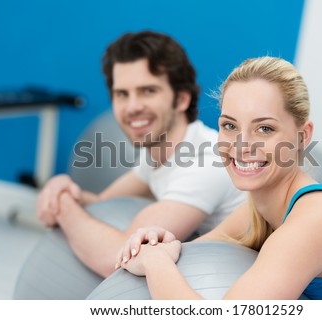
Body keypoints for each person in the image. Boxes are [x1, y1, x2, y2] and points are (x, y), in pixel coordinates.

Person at [116, 56, 322, 299]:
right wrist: (161, 242)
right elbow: (194, 253)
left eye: (265, 129)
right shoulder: (256, 210)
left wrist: (155, 264)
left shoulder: (316, 218)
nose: (242, 145)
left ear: (302, 137)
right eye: (230, 126)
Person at [36, 31, 246, 278]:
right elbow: (102, 203)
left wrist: (62, 206)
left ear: (180, 99)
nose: (133, 106)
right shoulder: (158, 155)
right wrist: (62, 189)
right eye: (122, 94)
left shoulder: (204, 161)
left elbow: (117, 256)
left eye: (148, 91)